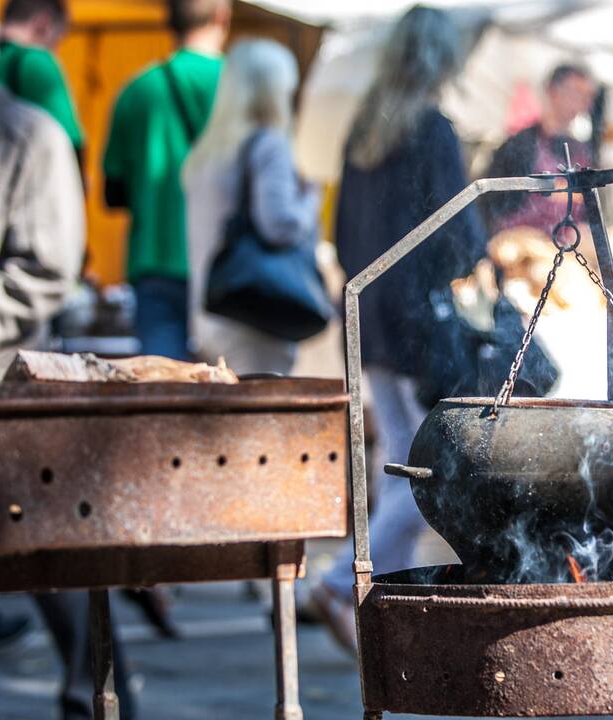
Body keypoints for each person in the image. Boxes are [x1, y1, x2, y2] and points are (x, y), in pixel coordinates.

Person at [315, 4, 488, 654]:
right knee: (424, 474)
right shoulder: (432, 130)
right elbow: (460, 241)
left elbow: (339, 234)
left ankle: (373, 603)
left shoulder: (366, 129)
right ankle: (342, 582)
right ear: (443, 61)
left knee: (400, 463)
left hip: (368, 316)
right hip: (417, 323)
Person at [0, 87, 136, 720]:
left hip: (11, 384)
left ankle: (99, 697)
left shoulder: (30, 134)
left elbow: (45, 270)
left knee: (49, 551)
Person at [183, 39, 320, 375]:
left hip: (212, 311)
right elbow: (280, 225)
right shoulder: (269, 144)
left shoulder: (207, 152)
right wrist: (311, 197)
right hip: (258, 317)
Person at [103, 0, 230, 360]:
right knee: (230, 400)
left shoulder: (136, 91)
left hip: (156, 260)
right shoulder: (241, 87)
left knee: (165, 392)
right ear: (223, 16)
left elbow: (114, 192)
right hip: (229, 264)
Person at [481, 63, 597, 234]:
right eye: (576, 94)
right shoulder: (519, 146)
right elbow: (492, 210)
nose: (583, 104)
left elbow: (589, 212)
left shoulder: (582, 152)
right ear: (552, 91)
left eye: (588, 97)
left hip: (570, 248)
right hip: (521, 248)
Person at [0, 0, 83, 156]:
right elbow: (71, 141)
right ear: (43, 24)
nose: (56, 51)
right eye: (56, 40)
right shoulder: (35, 60)